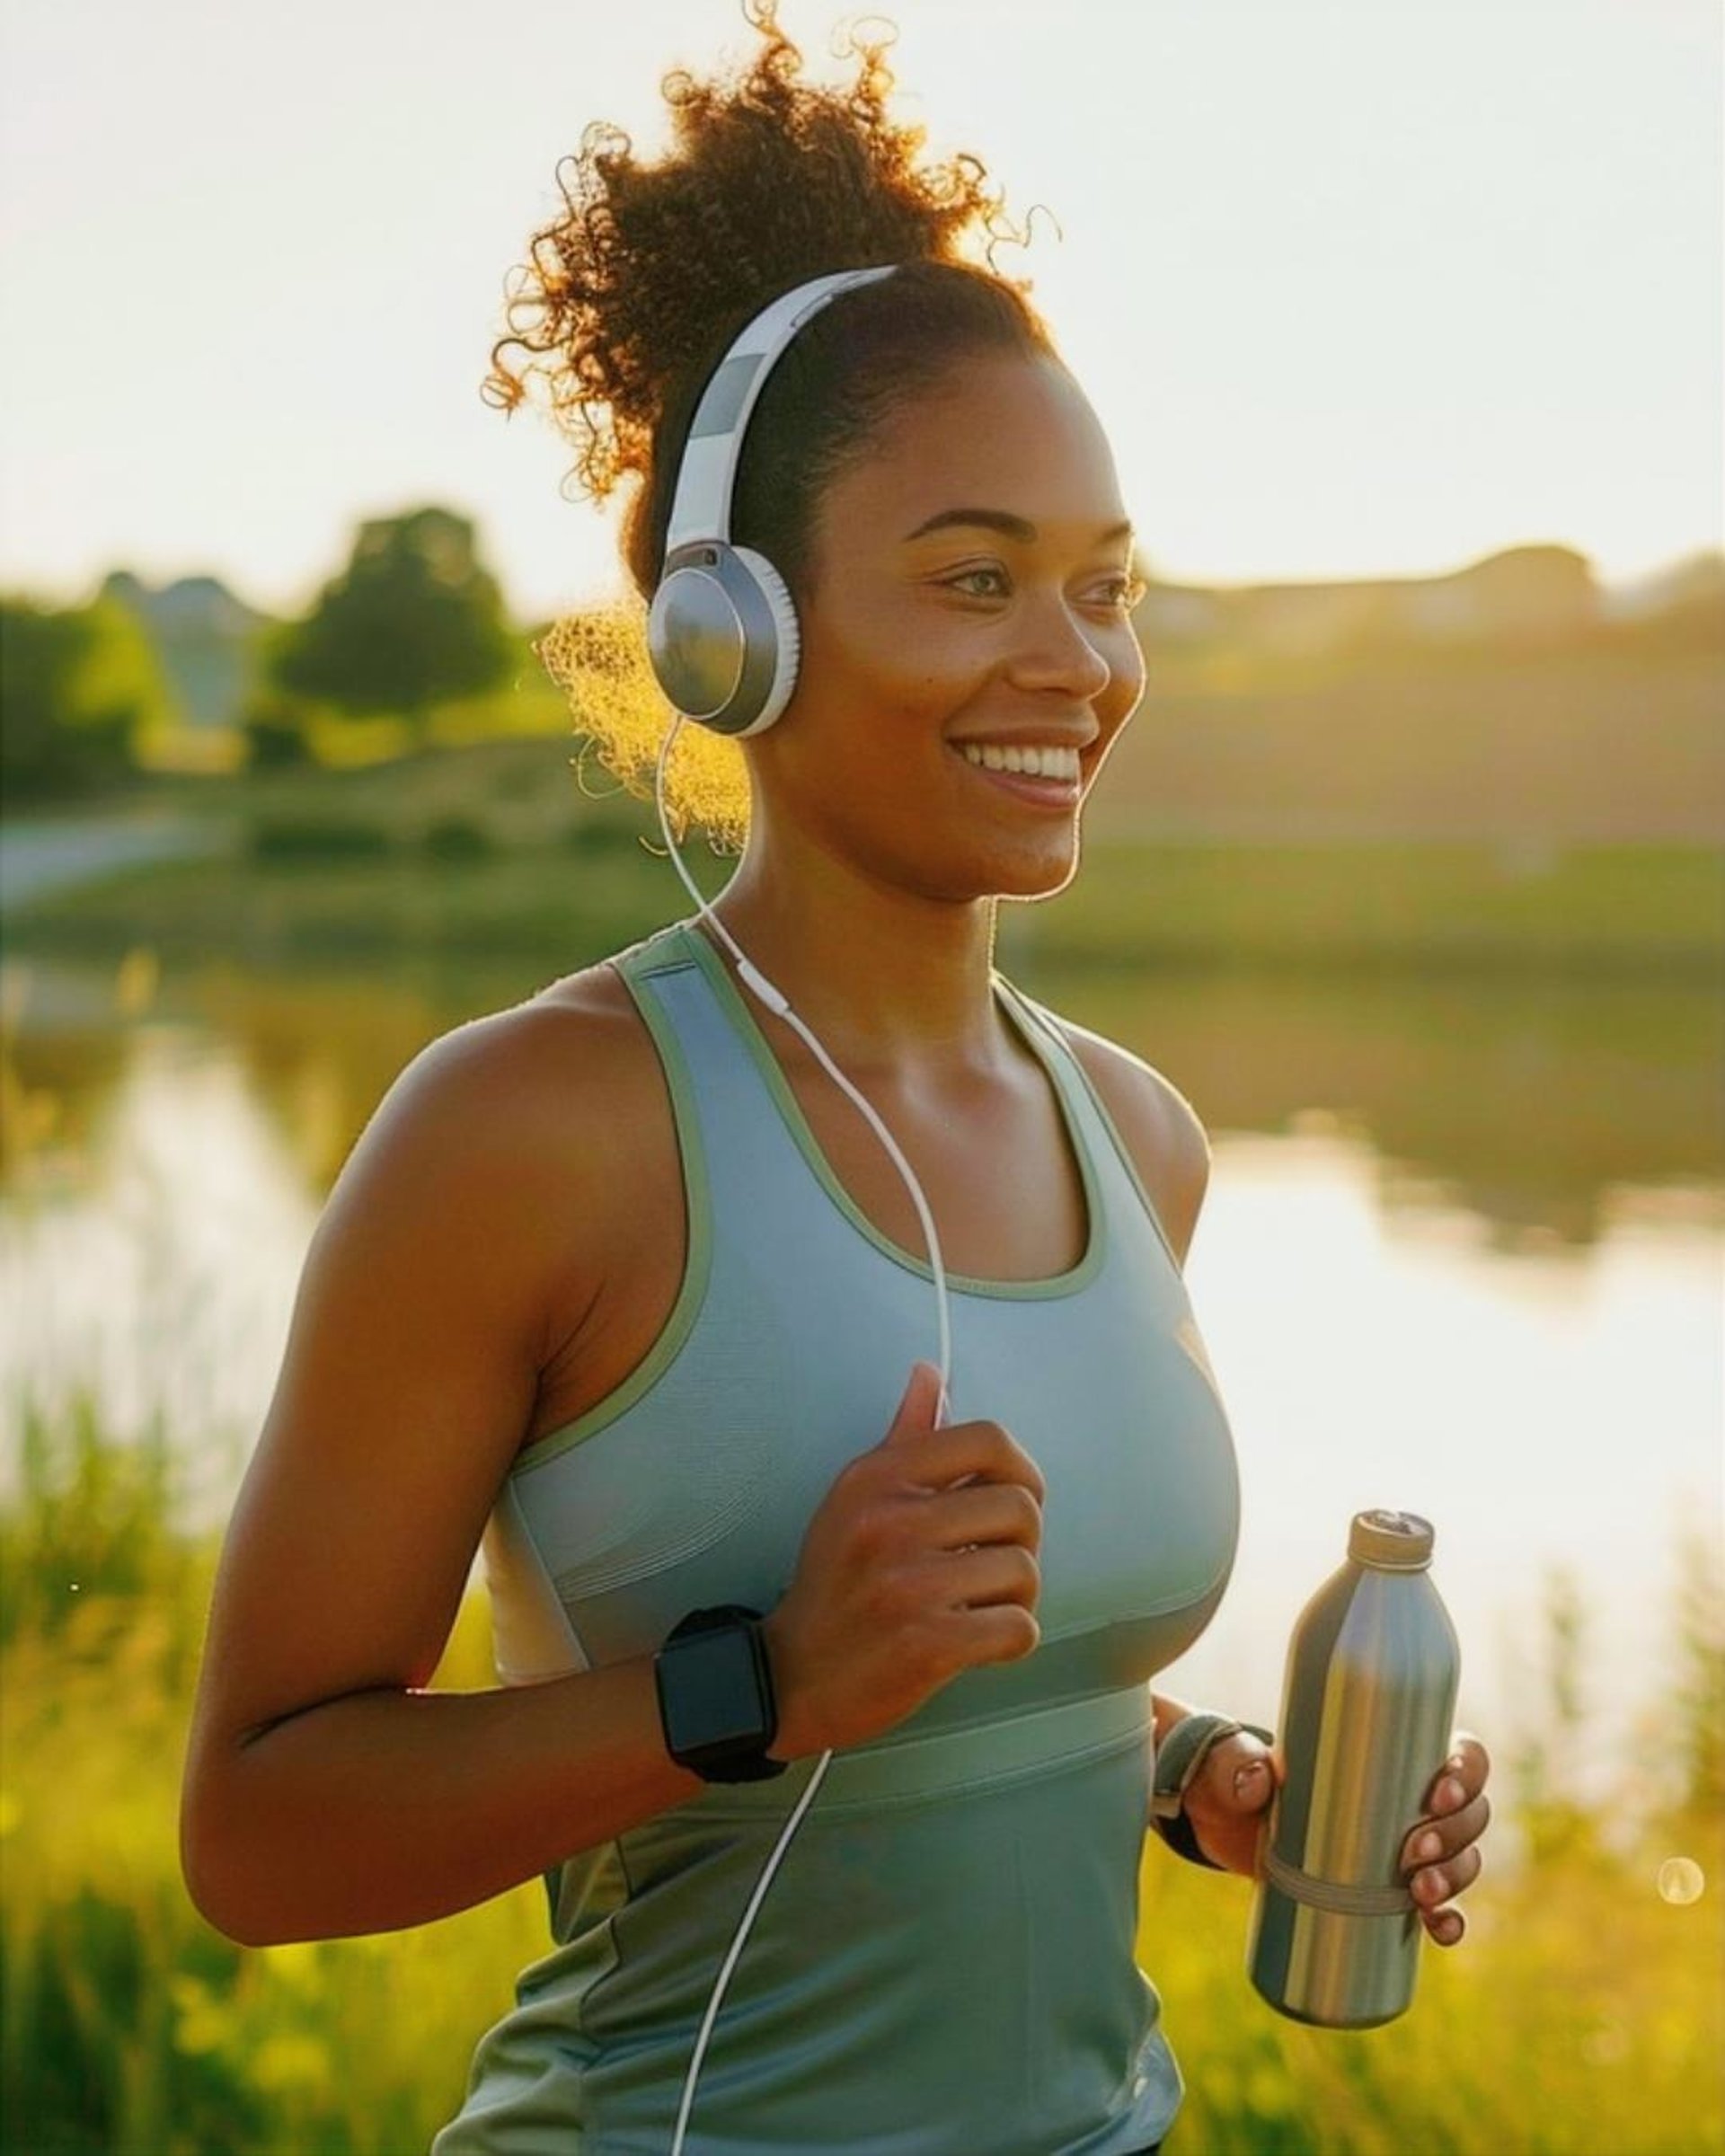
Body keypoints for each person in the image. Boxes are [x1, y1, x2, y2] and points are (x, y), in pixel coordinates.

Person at [177, 5, 1492, 2151]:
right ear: (736, 631)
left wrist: (1200, 1775)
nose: (1069, 661)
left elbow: (989, 1683)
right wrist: (758, 1684)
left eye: (1104, 588)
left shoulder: (1135, 1136)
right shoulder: (533, 1131)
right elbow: (260, 1835)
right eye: (975, 580)